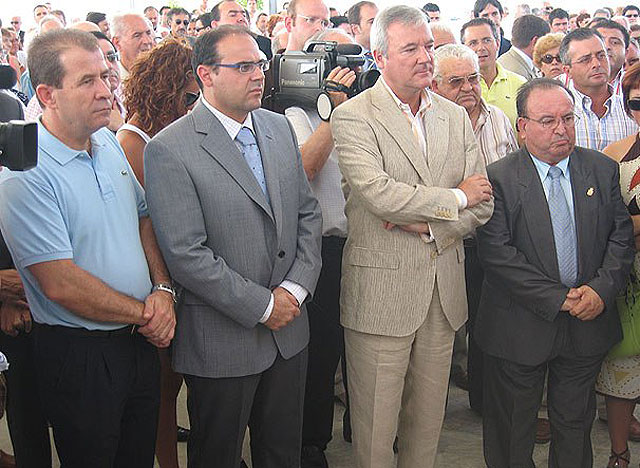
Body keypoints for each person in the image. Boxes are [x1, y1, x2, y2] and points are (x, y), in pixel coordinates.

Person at [144, 25, 322, 468]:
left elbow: (307, 215)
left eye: (259, 64)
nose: (258, 75)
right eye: (243, 66)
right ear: (205, 74)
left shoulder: (278, 127)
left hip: (289, 333)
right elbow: (187, 254)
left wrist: (294, 292)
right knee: (217, 455)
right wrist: (263, 306)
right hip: (223, 342)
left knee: (282, 453)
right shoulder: (171, 148)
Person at [0, 29, 176, 467]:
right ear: (47, 94)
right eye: (87, 81)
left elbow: (143, 217)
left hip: (136, 342)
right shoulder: (26, 175)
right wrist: (147, 313)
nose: (106, 89)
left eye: (105, 73)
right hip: (81, 356)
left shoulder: (108, 145)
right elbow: (59, 283)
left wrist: (162, 290)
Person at [331, 6, 493, 468]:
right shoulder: (354, 117)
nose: (426, 57)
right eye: (412, 48)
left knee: (426, 430)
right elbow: (380, 195)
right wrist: (454, 199)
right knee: (376, 433)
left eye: (429, 46)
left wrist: (433, 220)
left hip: (443, 298)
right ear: (379, 56)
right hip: (381, 298)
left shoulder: (454, 116)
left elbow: (484, 201)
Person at [475, 77, 634, 468]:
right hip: (518, 327)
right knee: (512, 431)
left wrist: (599, 291)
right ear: (522, 127)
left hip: (587, 323)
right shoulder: (498, 178)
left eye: (567, 118)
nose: (560, 129)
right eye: (547, 121)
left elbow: (620, 238)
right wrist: (559, 298)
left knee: (575, 425)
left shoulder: (599, 169)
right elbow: (497, 255)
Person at [116, 39, 199, 468]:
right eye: (189, 96)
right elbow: (156, 217)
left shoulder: (164, 134)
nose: (194, 105)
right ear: (167, 89)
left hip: (179, 273)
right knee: (166, 390)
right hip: (159, 279)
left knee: (177, 386)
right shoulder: (133, 141)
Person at [284, 26, 358, 468]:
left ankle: (362, 421)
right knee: (323, 348)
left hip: (367, 241)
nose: (342, 73)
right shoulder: (293, 111)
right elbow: (304, 169)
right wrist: (332, 112)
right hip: (321, 250)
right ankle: (312, 441)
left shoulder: (366, 106)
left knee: (364, 344)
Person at [431, 43, 516, 406]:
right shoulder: (428, 126)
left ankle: (484, 400)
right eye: (456, 82)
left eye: (473, 79)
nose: (468, 88)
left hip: (492, 240)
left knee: (488, 324)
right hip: (442, 241)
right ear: (434, 86)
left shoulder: (497, 118)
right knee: (438, 332)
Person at [594, 63, 640, 468]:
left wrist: (629, 226)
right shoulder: (613, 155)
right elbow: (607, 223)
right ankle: (619, 453)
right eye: (637, 101)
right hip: (625, 278)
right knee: (621, 366)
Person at [561, 28, 637, 150]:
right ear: (567, 70)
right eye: (585, 60)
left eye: (601, 55)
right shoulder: (559, 113)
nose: (597, 64)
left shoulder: (631, 108)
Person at [461, 17, 527, 131]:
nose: (481, 48)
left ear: (497, 43)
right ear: (463, 48)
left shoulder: (520, 84)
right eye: (473, 43)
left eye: (487, 40)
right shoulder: (460, 87)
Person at [498, 14, 550, 80]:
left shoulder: (512, 60)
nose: (547, 47)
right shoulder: (517, 73)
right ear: (536, 41)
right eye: (546, 42)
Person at [111, 14, 155, 81]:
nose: (147, 41)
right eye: (137, 35)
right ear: (117, 43)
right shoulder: (112, 82)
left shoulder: (163, 76)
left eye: (148, 33)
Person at [591, 19, 630, 95]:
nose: (607, 47)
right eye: (601, 41)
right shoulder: (567, 82)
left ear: (626, 52)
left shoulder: (635, 82)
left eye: (615, 42)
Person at [346, 1, 378, 71]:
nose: (378, 26)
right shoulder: (347, 57)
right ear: (356, 29)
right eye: (372, 22)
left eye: (379, 21)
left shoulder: (388, 54)